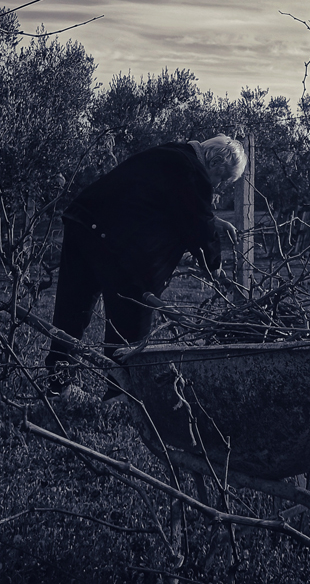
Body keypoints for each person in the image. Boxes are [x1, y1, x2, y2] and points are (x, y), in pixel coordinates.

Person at [44, 135, 247, 396]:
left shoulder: (172, 154)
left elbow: (170, 202)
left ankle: (58, 385)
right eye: (223, 178)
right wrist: (214, 265)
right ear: (216, 160)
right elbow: (198, 224)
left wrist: (214, 220)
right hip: (114, 241)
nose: (218, 186)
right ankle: (121, 397)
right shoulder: (192, 170)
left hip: (83, 223)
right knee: (130, 316)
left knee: (72, 310)